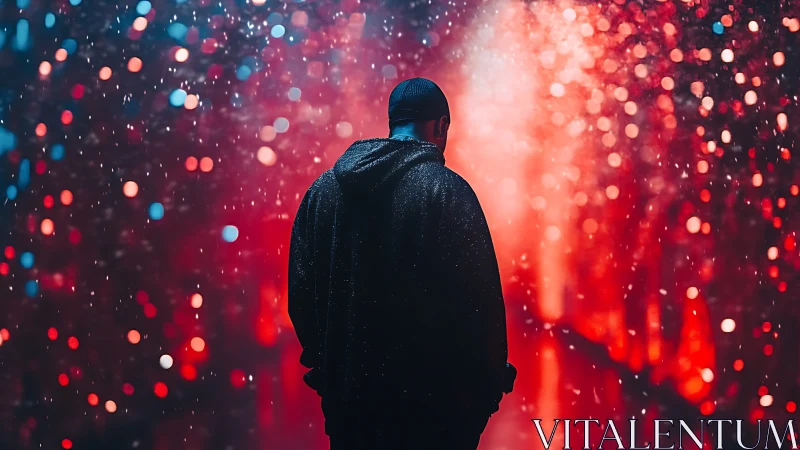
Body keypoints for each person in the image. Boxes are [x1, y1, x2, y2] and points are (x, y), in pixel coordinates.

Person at [288, 77, 516, 450]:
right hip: (434, 418)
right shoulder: (448, 191)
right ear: (441, 126)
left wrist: (329, 373)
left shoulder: (323, 192)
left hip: (350, 414)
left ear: (393, 123)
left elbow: (301, 295)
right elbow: (481, 303)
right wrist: (485, 389)